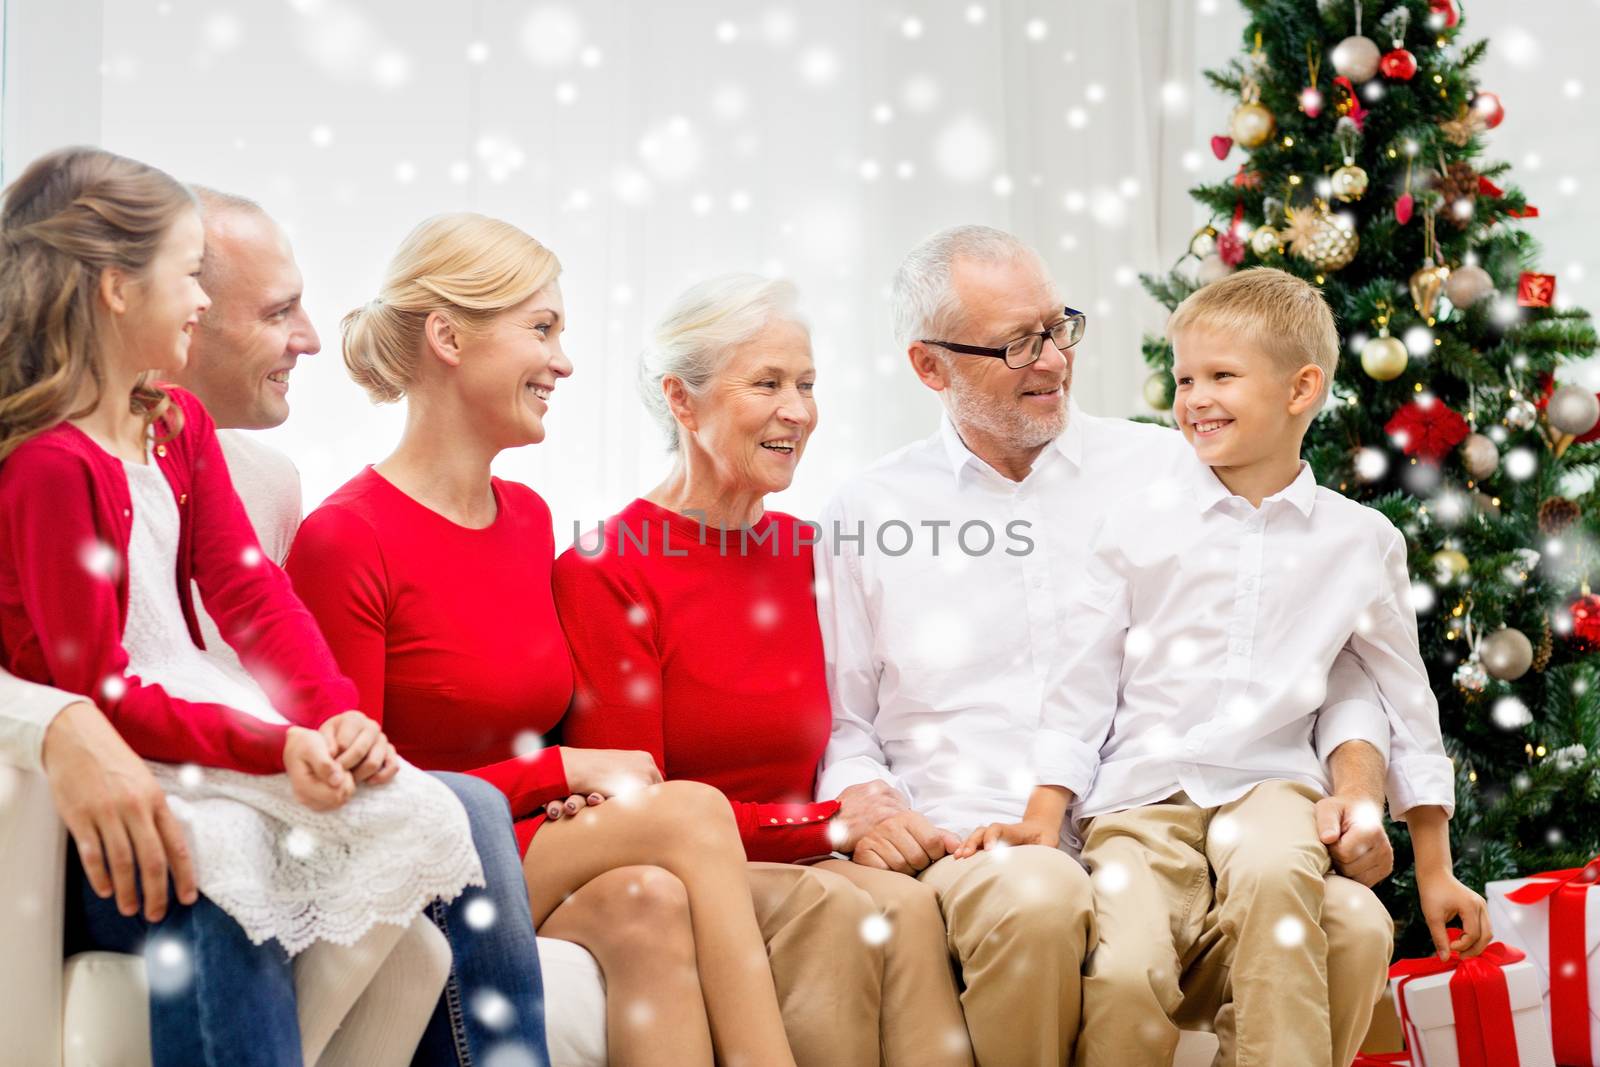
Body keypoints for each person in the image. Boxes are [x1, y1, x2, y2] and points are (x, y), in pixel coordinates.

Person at [813, 225, 1401, 1067]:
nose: (1051, 360)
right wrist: (868, 804)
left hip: (1172, 835)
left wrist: (1356, 785)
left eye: (1058, 328)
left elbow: (1325, 649)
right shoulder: (869, 512)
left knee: (1354, 924)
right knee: (1042, 894)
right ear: (929, 367)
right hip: (980, 839)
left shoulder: (1177, 468)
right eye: (1017, 343)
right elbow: (844, 722)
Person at [285, 214, 799, 1067]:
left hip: (520, 844)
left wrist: (560, 787)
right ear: (449, 338)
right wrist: (557, 772)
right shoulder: (347, 538)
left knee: (648, 904)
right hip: (412, 863)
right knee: (694, 810)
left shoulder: (524, 519)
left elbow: (529, 722)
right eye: (542, 329)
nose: (563, 360)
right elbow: (347, 795)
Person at [0, 147, 474, 1065]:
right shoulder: (49, 469)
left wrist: (333, 713)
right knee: (230, 860)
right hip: (124, 773)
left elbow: (251, 594)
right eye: (188, 276)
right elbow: (94, 682)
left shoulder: (175, 425)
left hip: (196, 740)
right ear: (114, 291)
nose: (203, 301)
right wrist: (270, 746)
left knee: (421, 830)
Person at [960, 266, 1489, 1066]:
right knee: (1126, 968)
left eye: (1222, 377)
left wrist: (1436, 869)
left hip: (1271, 788)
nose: (1195, 397)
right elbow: (1081, 686)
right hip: (1140, 802)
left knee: (1281, 898)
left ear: (1301, 387)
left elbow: (1400, 696)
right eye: (1184, 379)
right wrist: (1045, 811)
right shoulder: (1134, 526)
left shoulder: (1360, 542)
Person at [163, 185, 554, 1067]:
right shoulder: (343, 525)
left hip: (269, 771)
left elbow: (262, 626)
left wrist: (336, 719)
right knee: (471, 808)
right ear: (177, 311)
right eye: (278, 311)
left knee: (471, 818)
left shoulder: (263, 479)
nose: (311, 334)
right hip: (210, 787)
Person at [555, 274, 972, 1066]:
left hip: (801, 845)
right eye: (769, 383)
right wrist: (831, 826)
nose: (800, 411)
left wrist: (872, 811)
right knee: (830, 909)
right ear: (683, 401)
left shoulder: (806, 551)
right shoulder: (607, 566)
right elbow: (645, 806)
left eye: (807, 384)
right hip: (691, 864)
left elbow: (857, 724)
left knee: (912, 909)